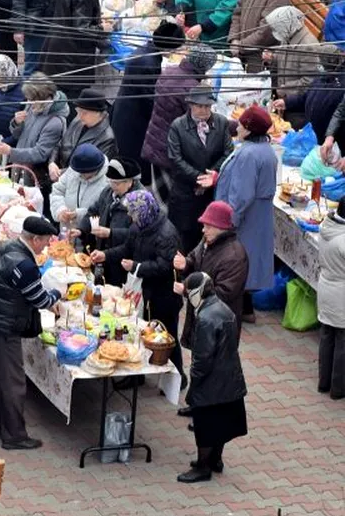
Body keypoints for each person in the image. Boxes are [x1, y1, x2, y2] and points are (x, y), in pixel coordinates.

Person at [0, 216, 61, 449]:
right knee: (13, 383)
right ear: (34, 239)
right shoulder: (25, 265)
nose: (46, 246)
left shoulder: (7, 248)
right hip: (4, 329)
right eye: (45, 241)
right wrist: (57, 294)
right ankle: (14, 435)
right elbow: (39, 299)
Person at [93, 190, 184, 373]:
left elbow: (164, 266)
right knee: (141, 333)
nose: (129, 215)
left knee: (165, 334)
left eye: (132, 212)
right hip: (145, 291)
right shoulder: (139, 226)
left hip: (163, 295)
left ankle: (178, 375)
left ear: (142, 212)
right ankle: (138, 371)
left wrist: (136, 267)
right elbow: (126, 248)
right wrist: (105, 255)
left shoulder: (167, 234)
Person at [177, 273, 248, 482]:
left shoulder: (206, 318)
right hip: (230, 377)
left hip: (211, 381)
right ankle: (216, 459)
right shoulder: (223, 308)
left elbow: (202, 358)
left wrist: (194, 385)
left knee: (205, 425)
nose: (188, 296)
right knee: (223, 422)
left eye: (189, 292)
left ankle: (203, 466)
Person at [215, 106, 278, 322]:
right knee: (249, 261)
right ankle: (247, 309)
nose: (238, 127)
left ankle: (237, 311)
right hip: (258, 215)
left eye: (241, 124)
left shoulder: (249, 153)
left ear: (249, 129)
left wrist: (230, 220)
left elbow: (242, 194)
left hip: (246, 217)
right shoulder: (265, 149)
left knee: (238, 262)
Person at [165, 84, 235, 253]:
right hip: (185, 194)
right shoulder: (178, 126)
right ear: (190, 105)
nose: (204, 110)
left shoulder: (221, 122)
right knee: (183, 241)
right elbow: (175, 159)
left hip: (210, 195)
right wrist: (199, 178)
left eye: (207, 106)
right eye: (199, 106)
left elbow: (229, 153)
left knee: (208, 240)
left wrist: (211, 176)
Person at [142, 42, 217, 199]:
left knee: (159, 195)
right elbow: (204, 122)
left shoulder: (169, 71)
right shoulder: (192, 88)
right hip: (171, 151)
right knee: (172, 200)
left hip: (155, 141)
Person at [174, 201, 249, 356]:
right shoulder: (208, 240)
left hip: (220, 326)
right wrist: (186, 264)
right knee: (199, 364)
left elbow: (223, 294)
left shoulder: (235, 256)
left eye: (208, 226)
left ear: (221, 227)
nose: (203, 230)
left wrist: (187, 290)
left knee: (215, 372)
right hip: (202, 319)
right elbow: (194, 257)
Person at [0, 72, 67, 216]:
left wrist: (10, 151)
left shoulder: (55, 122)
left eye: (32, 100)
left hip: (34, 178)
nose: (29, 104)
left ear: (44, 98)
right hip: (19, 169)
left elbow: (40, 153)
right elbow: (18, 134)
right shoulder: (33, 106)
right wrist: (16, 123)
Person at [112, 22, 184, 175]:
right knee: (133, 161)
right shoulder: (148, 62)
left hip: (126, 109)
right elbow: (150, 99)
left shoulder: (146, 51)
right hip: (133, 118)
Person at [40, 0, 115, 97]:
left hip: (59, 47)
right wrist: (102, 29)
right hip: (71, 56)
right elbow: (82, 30)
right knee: (71, 96)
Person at [74, 157, 145, 287]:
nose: (112, 186)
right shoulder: (108, 192)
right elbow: (93, 211)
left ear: (129, 182)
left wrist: (111, 233)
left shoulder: (140, 201)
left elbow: (140, 234)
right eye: (110, 182)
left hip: (124, 258)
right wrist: (81, 229)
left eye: (116, 183)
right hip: (104, 252)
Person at [228, 0, 294, 73]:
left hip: (259, 59)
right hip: (242, 52)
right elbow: (237, 12)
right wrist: (234, 39)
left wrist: (241, 46)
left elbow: (266, 32)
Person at [275, 46, 345, 144]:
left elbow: (340, 114)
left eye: (320, 60)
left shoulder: (341, 83)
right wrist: (286, 102)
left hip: (333, 144)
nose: (318, 64)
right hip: (313, 139)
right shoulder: (321, 77)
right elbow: (306, 97)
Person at [52, 88, 115, 177]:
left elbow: (93, 168)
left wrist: (60, 174)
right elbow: (60, 143)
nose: (79, 115)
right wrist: (52, 163)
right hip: (58, 172)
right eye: (78, 111)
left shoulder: (107, 138)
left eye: (84, 113)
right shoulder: (78, 121)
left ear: (97, 113)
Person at [265, 5, 321, 103]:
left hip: (296, 104)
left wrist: (285, 89)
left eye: (277, 28)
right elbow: (282, 57)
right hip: (283, 99)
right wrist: (271, 58)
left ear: (286, 25)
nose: (275, 32)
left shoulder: (308, 46)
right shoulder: (288, 35)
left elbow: (310, 80)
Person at [318, 203, 345, 399]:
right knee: (342, 343)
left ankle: (323, 382)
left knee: (326, 337)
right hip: (341, 292)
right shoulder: (343, 240)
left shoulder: (326, 226)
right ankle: (338, 388)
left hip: (326, 287)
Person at [50, 143, 109, 230]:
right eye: (80, 172)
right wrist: (60, 210)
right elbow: (57, 192)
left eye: (86, 173)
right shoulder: (73, 170)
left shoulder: (108, 181)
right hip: (67, 232)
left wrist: (78, 214)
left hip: (90, 235)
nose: (82, 175)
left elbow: (103, 211)